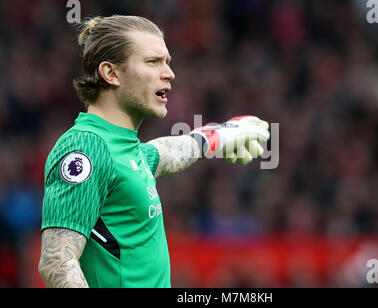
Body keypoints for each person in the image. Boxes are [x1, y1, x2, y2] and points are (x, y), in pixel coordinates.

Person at [38, 15, 270, 288]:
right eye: (153, 62)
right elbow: (57, 262)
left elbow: (165, 153)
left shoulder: (123, 149)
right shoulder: (86, 148)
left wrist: (216, 135)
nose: (169, 73)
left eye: (167, 63)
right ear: (110, 73)